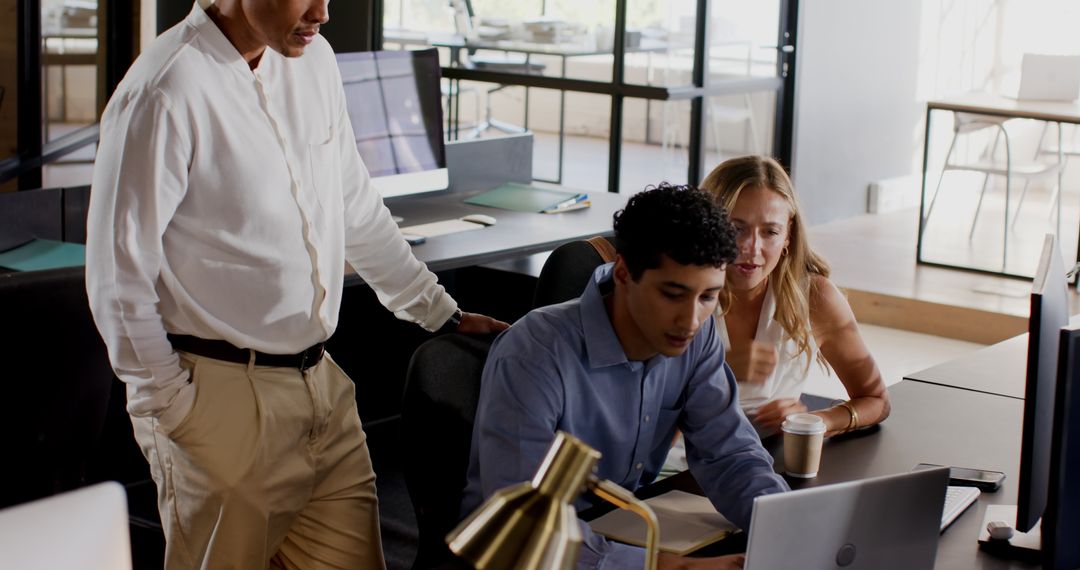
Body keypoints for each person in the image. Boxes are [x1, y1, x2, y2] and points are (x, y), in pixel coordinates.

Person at [85, 0, 508, 568]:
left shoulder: (315, 61)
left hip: (321, 388)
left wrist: (439, 312)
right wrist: (176, 410)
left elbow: (354, 204)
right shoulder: (165, 90)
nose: (323, 12)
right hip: (219, 399)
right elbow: (118, 278)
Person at [460, 184, 789, 570]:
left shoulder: (698, 340)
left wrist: (785, 526)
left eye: (707, 297)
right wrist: (672, 568)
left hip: (616, 530)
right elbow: (523, 525)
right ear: (622, 273)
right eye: (672, 294)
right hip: (514, 552)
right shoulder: (533, 353)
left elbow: (730, 455)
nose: (690, 320)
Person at [700, 155, 890, 436]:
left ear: (788, 235)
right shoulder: (677, 294)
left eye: (770, 232)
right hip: (675, 466)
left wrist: (816, 421)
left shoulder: (815, 298)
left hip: (765, 464)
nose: (752, 248)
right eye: (736, 228)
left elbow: (876, 400)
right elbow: (641, 408)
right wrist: (718, 370)